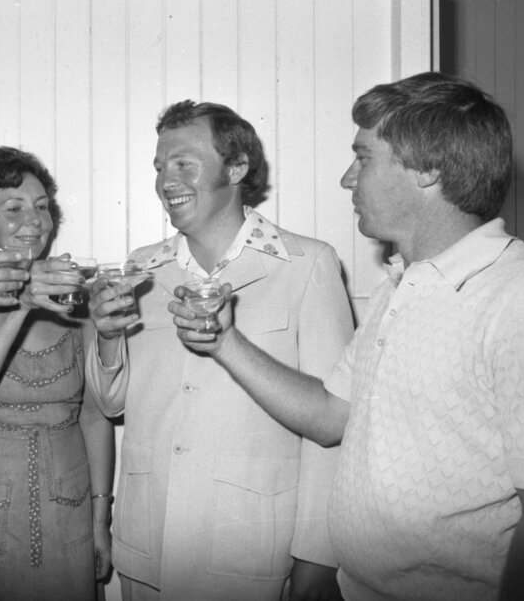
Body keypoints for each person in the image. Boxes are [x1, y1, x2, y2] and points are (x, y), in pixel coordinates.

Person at [172, 72, 524, 600]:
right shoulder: (401, 284)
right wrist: (223, 343)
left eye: (364, 157)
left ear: (428, 169)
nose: (348, 179)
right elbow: (331, 416)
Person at [87, 101, 354, 600]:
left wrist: (317, 556)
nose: (166, 180)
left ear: (236, 168)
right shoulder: (142, 267)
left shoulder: (307, 264)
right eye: (160, 166)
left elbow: (333, 426)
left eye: (184, 163)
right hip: (148, 549)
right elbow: (111, 403)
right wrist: (105, 336)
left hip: (250, 550)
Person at [0, 146, 114, 601]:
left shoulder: (76, 295)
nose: (36, 220)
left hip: (66, 500)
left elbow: (93, 415)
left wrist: (99, 517)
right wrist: (24, 301)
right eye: (14, 208)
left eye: (43, 207)